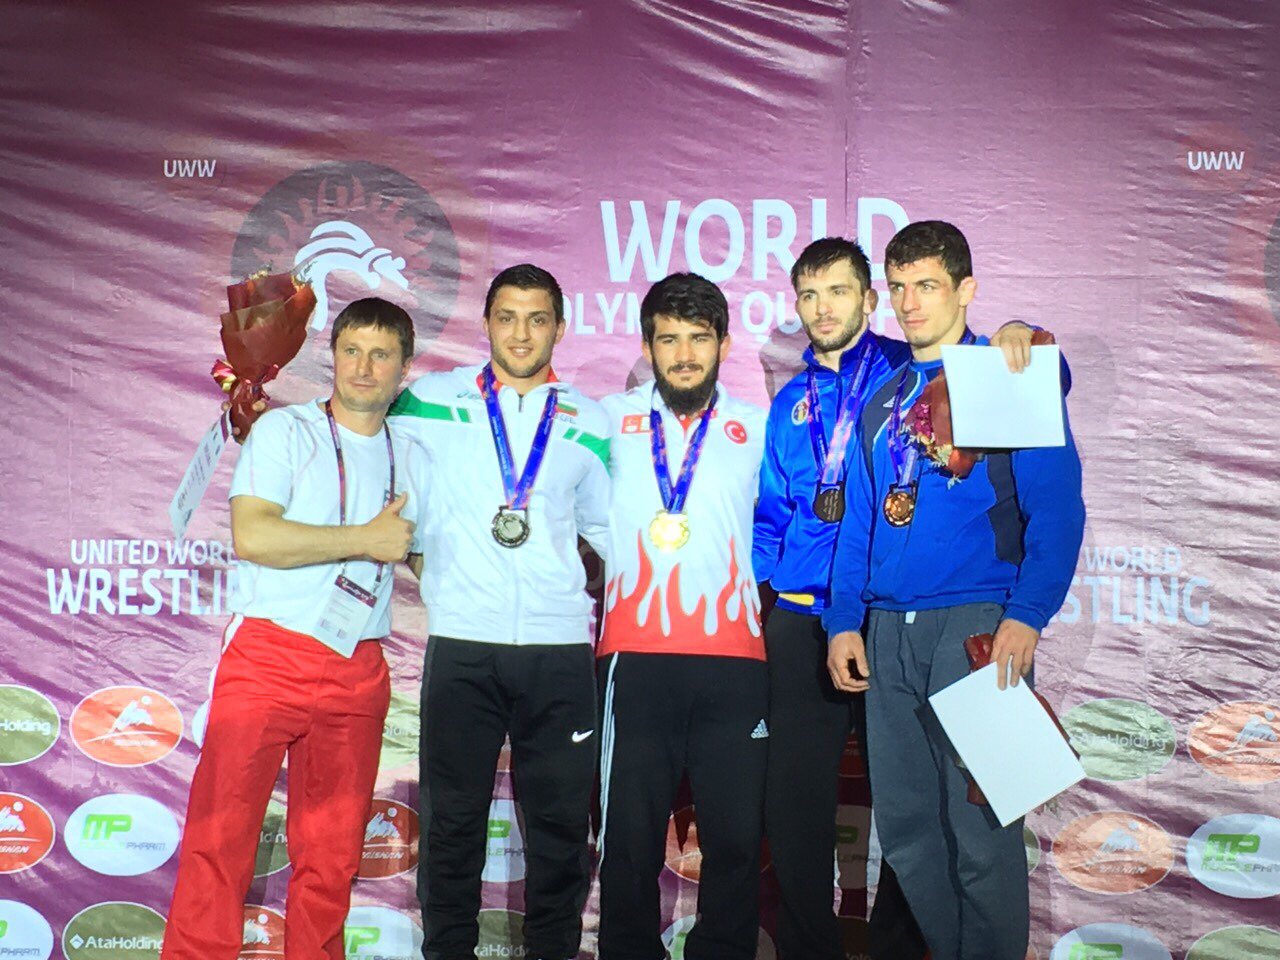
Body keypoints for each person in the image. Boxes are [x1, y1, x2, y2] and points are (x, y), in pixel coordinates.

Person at [753, 237, 1045, 960]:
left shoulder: (949, 370)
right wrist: (808, 600)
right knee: (859, 824)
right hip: (840, 622)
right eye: (809, 295)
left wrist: (1028, 343)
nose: (824, 309)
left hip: (939, 621)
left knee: (968, 822)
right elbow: (811, 518)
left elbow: (1054, 498)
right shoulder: (834, 399)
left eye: (841, 292)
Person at [823, 221, 1085, 960]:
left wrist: (1027, 615)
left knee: (982, 831)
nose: (909, 302)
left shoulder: (1004, 371)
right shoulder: (881, 401)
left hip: (975, 628)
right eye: (899, 287)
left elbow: (1058, 509)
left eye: (928, 285)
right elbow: (858, 530)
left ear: (966, 290)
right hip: (886, 634)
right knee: (906, 834)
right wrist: (845, 621)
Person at [162, 297, 426, 960]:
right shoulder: (286, 433)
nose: (364, 367)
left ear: (404, 367)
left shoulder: (416, 454)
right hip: (268, 656)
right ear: (332, 356)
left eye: (381, 354)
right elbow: (254, 536)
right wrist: (365, 539)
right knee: (218, 842)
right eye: (352, 351)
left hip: (358, 666)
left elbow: (428, 554)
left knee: (332, 863)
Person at [390, 264, 611, 960]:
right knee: (452, 825)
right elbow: (392, 499)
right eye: (508, 317)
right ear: (486, 323)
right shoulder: (427, 401)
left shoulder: (588, 418)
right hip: (463, 647)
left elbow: (613, 535)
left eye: (537, 318)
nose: (521, 332)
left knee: (559, 832)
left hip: (559, 653)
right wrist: (435, 577)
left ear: (559, 328)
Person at [595, 272, 768, 960]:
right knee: (629, 840)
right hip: (634, 659)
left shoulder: (756, 428)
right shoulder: (605, 419)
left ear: (724, 343)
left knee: (734, 841)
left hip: (736, 659)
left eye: (700, 338)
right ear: (647, 345)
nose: (685, 354)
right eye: (670, 339)